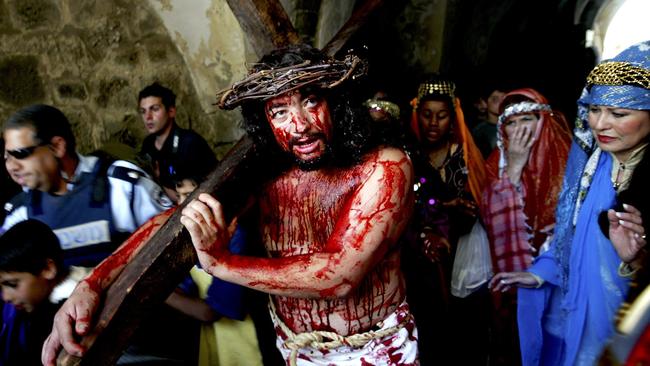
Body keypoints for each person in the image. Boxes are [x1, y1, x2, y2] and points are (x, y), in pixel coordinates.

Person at [42, 44, 418, 366]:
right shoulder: (265, 173)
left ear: (335, 102)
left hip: (375, 350)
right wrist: (93, 282)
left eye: (310, 100)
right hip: (293, 350)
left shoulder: (384, 167)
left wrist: (222, 264)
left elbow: (340, 275)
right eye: (280, 111)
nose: (300, 124)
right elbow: (179, 220)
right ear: (265, 121)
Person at [489, 40, 650, 366]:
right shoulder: (592, 164)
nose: (600, 124)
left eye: (619, 113)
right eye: (594, 109)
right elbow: (571, 234)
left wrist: (636, 260)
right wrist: (540, 272)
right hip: (575, 312)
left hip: (624, 325)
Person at [2, 104, 173, 267]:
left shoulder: (122, 187)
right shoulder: (18, 215)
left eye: (20, 154)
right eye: (7, 157)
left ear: (57, 146)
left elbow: (175, 244)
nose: (12, 166)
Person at [480, 88, 571, 365]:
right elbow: (488, 216)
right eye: (511, 122)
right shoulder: (497, 160)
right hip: (511, 279)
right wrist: (514, 169)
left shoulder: (568, 157)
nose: (519, 129)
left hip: (557, 278)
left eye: (527, 119)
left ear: (544, 120)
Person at [403, 76, 487, 365]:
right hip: (414, 256)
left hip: (459, 254)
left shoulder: (463, 156)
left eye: (441, 116)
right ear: (416, 114)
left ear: (453, 118)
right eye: (427, 115)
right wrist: (439, 205)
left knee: (457, 324)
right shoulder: (405, 154)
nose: (433, 123)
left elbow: (479, 201)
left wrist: (463, 208)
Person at [163, 164, 268, 366]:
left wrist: (156, 290)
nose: (183, 205)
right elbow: (186, 290)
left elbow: (209, 312)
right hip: (218, 344)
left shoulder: (237, 237)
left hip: (250, 346)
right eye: (180, 196)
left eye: (190, 195)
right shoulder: (192, 238)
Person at [0, 219, 81, 366]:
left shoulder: (77, 308)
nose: (6, 297)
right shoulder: (28, 313)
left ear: (47, 269)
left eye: (12, 284)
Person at [138, 82, 218, 203]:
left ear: (171, 111)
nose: (148, 117)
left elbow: (208, 188)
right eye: (143, 111)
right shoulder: (148, 145)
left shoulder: (190, 143)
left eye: (154, 109)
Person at [472, 86, 507, 158]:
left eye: (504, 99)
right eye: (495, 100)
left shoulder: (513, 125)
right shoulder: (479, 131)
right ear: (484, 103)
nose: (501, 103)